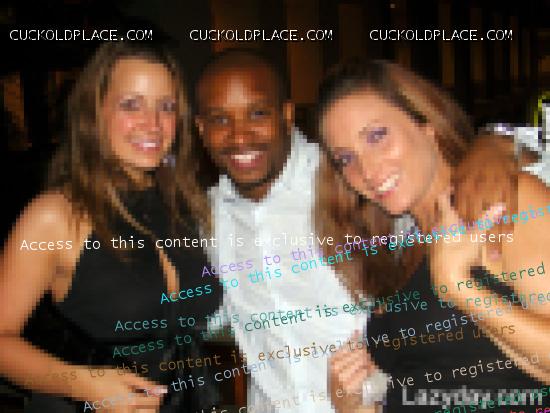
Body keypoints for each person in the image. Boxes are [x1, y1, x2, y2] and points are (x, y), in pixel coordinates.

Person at [316, 60, 550, 412]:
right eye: (346, 158)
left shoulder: (501, 202)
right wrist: (354, 404)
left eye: (377, 136)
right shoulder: (403, 244)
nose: (366, 170)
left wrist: (460, 288)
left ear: (426, 125)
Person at [0, 42, 221, 412]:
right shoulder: (55, 216)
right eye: (131, 104)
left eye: (166, 106)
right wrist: (85, 384)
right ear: (94, 112)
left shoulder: (186, 206)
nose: (153, 123)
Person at [193, 49, 371, 413]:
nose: (240, 136)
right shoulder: (206, 216)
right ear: (201, 130)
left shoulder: (348, 180)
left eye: (258, 113)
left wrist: (493, 141)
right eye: (220, 119)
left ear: (286, 115)